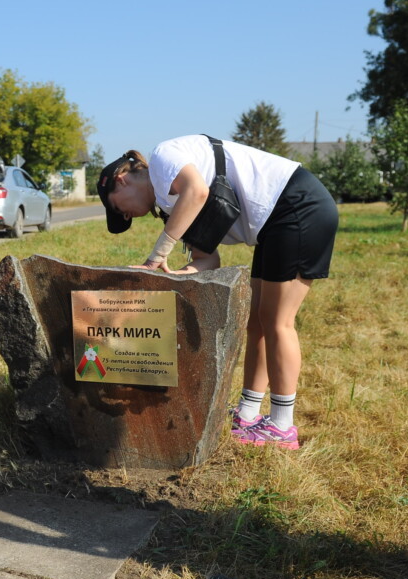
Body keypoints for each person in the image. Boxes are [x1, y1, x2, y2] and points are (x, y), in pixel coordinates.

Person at [96, 135, 338, 450]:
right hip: (273, 224)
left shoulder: (163, 157)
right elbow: (207, 259)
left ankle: (282, 426)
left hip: (296, 205)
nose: (126, 217)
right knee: (258, 322)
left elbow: (198, 191)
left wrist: (157, 256)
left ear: (121, 179)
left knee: (279, 322)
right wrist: (175, 277)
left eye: (118, 209)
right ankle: (248, 415)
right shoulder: (172, 208)